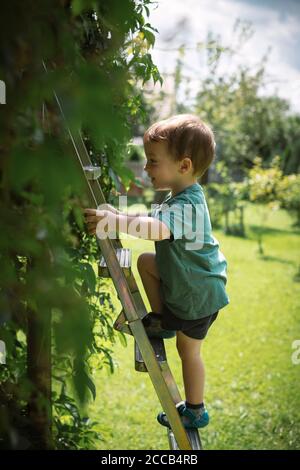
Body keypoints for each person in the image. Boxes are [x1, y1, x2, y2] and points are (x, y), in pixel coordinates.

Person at [84, 114, 229, 430]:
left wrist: (116, 221)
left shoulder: (188, 205)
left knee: (187, 350)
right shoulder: (179, 196)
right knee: (147, 262)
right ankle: (162, 321)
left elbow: (159, 228)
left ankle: (195, 409)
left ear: (184, 165)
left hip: (197, 296)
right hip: (190, 280)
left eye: (152, 161)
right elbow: (153, 216)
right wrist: (120, 213)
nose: (146, 168)